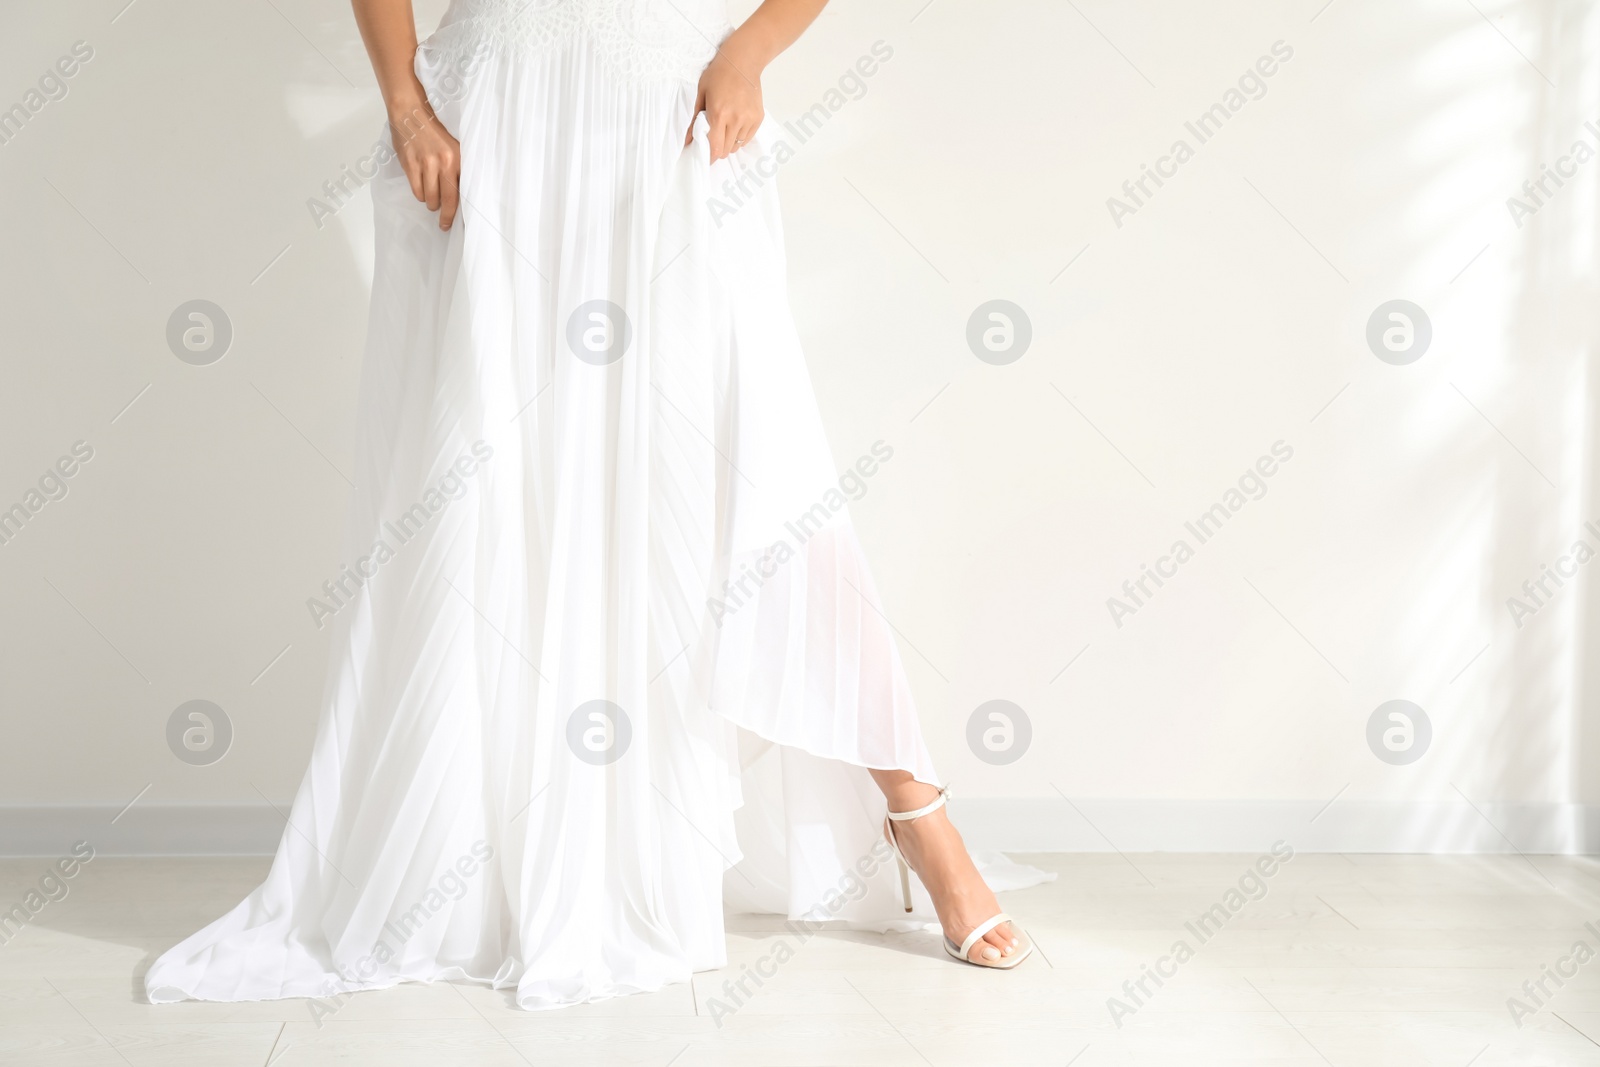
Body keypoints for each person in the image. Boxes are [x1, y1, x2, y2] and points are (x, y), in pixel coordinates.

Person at [144, 0, 1039, 1012]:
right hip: (495, 119)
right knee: (490, 478)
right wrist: (404, 102)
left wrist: (747, 51)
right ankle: (509, 844)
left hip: (674, 114)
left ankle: (917, 809)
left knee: (770, 477)